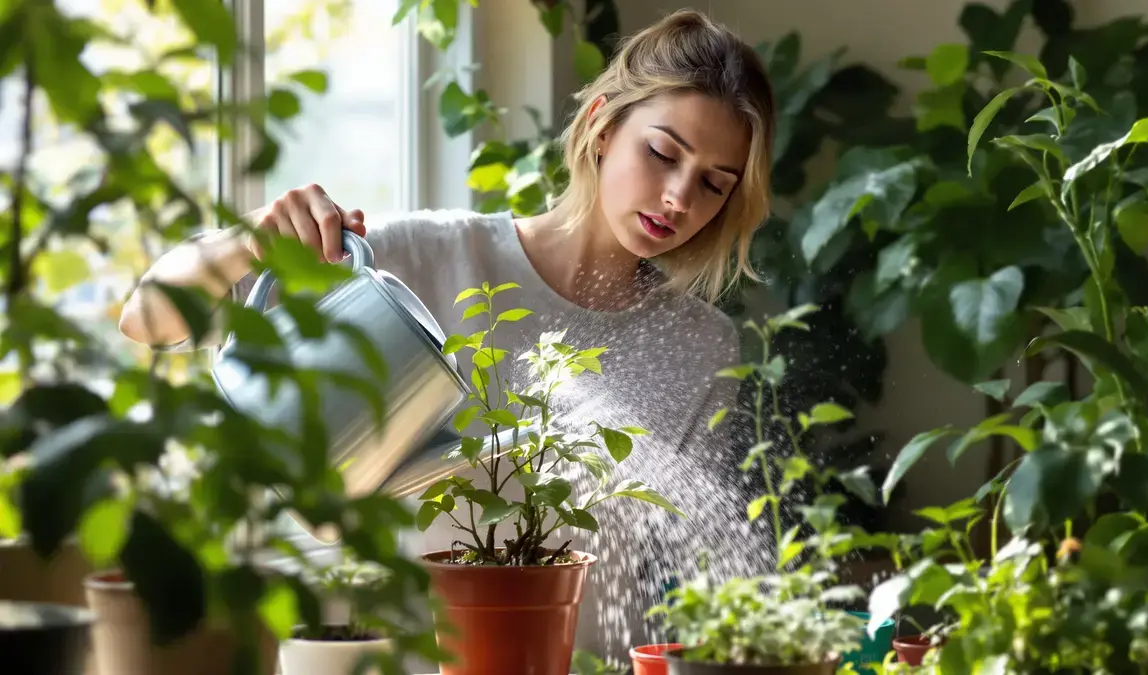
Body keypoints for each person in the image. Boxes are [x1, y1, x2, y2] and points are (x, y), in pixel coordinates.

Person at [120, 8, 776, 664]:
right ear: (603, 125)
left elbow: (686, 569)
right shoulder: (423, 259)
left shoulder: (698, 346)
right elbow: (148, 319)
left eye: (714, 184)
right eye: (662, 154)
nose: (678, 198)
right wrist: (253, 236)